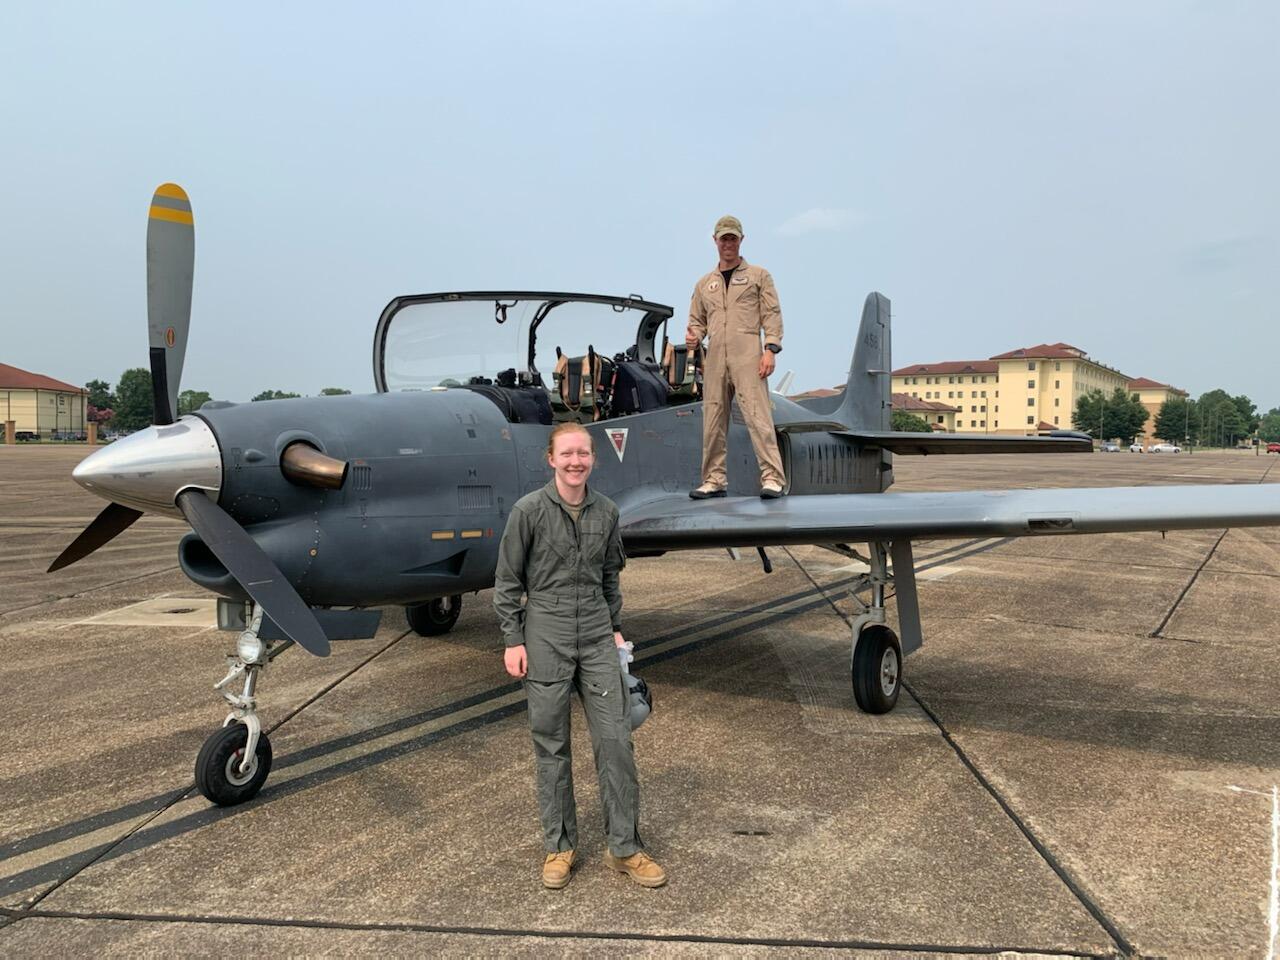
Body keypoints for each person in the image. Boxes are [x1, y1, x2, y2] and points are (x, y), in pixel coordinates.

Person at [494, 422, 667, 890]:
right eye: (567, 454)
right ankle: (560, 847)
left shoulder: (607, 512)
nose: (576, 462)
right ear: (551, 459)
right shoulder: (527, 512)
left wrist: (614, 630)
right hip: (545, 632)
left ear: (593, 459)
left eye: (583, 454)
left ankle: (625, 847)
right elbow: (508, 583)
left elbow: (610, 576)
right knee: (551, 745)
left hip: (594, 632)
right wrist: (514, 640)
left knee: (616, 741)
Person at [686, 214, 786, 500]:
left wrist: (771, 349)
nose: (728, 243)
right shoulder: (704, 284)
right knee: (713, 419)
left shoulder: (758, 276)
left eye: (733, 238)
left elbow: (772, 314)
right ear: (715, 241)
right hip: (715, 356)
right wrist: (694, 336)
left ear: (741, 240)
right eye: (723, 238)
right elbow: (696, 321)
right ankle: (714, 479)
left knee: (758, 417)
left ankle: (772, 478)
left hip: (748, 354)